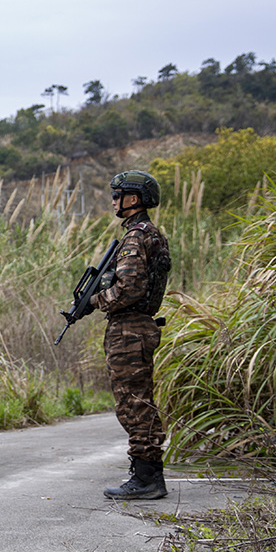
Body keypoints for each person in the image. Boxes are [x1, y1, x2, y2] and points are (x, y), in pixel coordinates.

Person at [90, 170, 172, 500]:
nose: (113, 200)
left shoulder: (136, 237)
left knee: (134, 404)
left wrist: (96, 300)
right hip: (137, 328)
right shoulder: (147, 234)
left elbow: (129, 289)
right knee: (136, 402)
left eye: (117, 194)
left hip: (130, 329)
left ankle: (147, 478)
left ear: (133, 199)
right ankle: (146, 475)